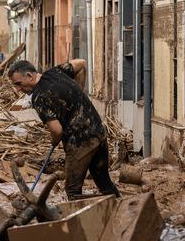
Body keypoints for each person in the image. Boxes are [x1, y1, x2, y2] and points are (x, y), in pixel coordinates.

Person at [8, 59, 119, 199]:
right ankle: (123, 211)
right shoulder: (56, 71)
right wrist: (78, 91)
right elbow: (81, 63)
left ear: (30, 76)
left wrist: (54, 141)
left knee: (72, 191)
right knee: (104, 181)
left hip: (80, 143)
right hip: (98, 131)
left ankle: (82, 219)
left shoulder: (39, 97)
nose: (18, 89)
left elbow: (57, 130)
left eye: (18, 84)